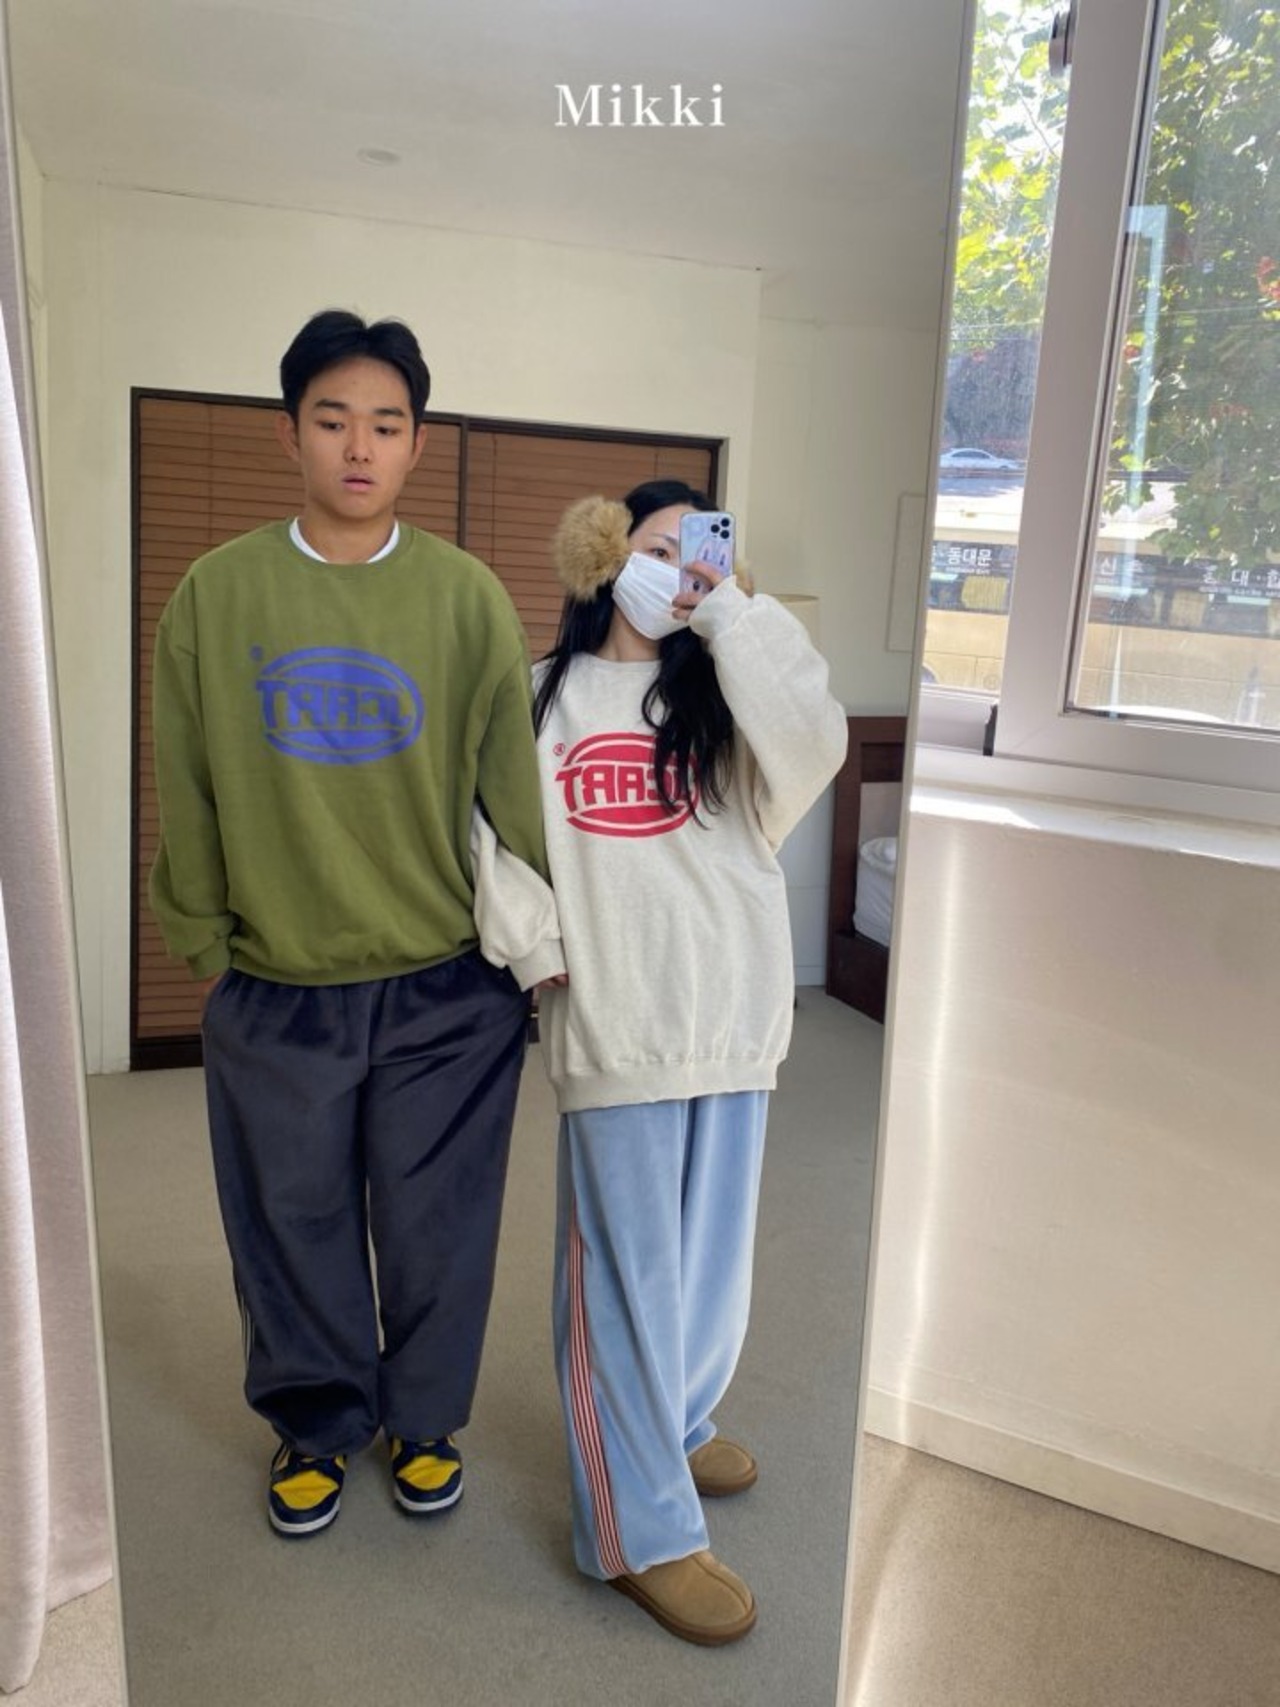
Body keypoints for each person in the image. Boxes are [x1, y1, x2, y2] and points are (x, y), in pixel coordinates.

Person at [149, 309, 563, 1538]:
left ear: (418, 444)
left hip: (446, 986)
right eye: (332, 420)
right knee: (291, 1223)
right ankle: (317, 1424)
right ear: (289, 434)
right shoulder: (215, 594)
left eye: (386, 424)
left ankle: (423, 1419)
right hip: (277, 981)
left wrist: (551, 947)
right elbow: (186, 778)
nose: (359, 446)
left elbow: (512, 786)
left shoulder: (466, 597)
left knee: (438, 1227)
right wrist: (204, 943)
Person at [474, 479, 847, 1644]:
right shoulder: (539, 694)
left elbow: (816, 745)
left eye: (704, 550)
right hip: (618, 1027)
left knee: (708, 1277)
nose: (679, 568)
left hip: (730, 1020)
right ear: (605, 554)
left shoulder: (726, 695)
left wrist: (728, 613)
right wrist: (535, 951)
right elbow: (483, 833)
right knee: (624, 1288)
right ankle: (637, 1532)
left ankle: (676, 1426)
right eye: (658, 546)